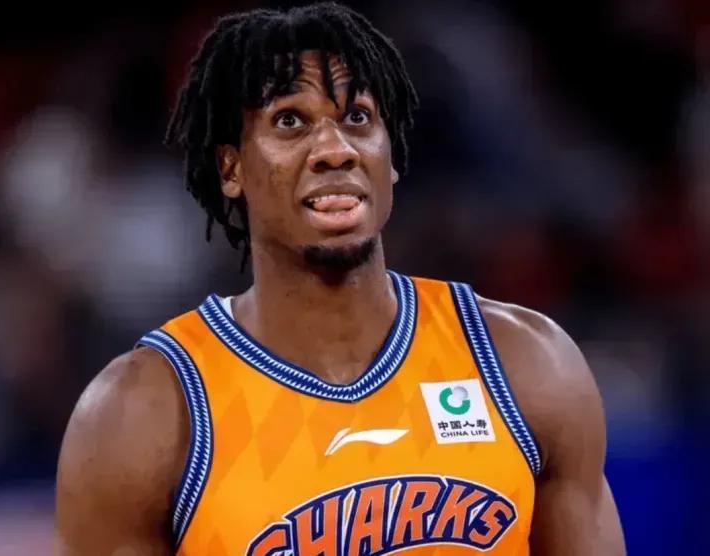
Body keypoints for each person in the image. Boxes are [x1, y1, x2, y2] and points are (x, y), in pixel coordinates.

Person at [55, 3, 625, 554]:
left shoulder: (525, 364)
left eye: (357, 118)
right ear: (231, 167)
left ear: (390, 157)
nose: (334, 149)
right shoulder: (145, 413)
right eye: (289, 121)